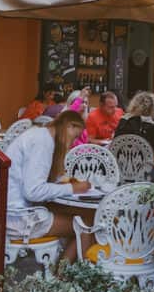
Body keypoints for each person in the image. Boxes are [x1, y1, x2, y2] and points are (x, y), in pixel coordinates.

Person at [6, 110, 91, 262]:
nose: (74, 142)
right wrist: (73, 188)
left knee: (84, 216)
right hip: (20, 218)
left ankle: (61, 274)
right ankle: (63, 277)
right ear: (69, 126)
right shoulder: (43, 142)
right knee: (87, 224)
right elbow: (33, 191)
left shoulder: (40, 135)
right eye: (76, 136)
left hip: (12, 210)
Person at [114, 91, 154, 163]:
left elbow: (115, 146)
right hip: (147, 170)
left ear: (133, 105)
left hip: (122, 168)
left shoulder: (124, 122)